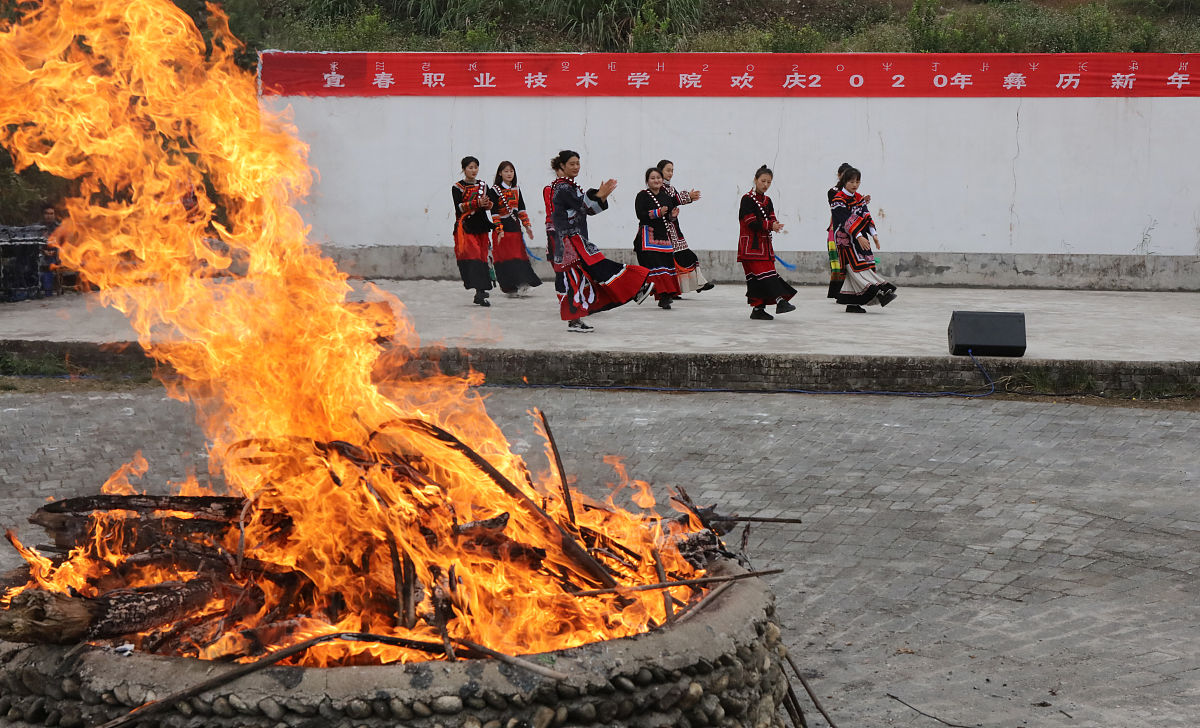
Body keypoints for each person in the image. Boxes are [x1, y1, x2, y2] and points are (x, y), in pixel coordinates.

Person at [546, 149, 652, 332]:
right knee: (592, 269)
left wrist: (601, 196)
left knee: (580, 280)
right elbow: (584, 204)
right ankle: (636, 287)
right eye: (571, 164)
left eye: (578, 163)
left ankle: (576, 321)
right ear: (562, 166)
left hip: (577, 238)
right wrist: (598, 194)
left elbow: (589, 210)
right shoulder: (562, 188)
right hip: (569, 240)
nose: (576, 167)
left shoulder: (570, 187)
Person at [830, 166, 897, 312]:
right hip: (846, 241)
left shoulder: (859, 198)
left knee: (864, 265)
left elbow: (866, 215)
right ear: (844, 181)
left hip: (860, 237)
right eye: (852, 181)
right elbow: (845, 219)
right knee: (856, 268)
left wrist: (874, 235)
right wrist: (859, 236)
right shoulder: (838, 199)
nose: (855, 185)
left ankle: (852, 303)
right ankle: (878, 290)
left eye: (858, 181)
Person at [737, 165, 797, 321]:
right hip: (750, 247)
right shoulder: (747, 199)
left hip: (764, 246)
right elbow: (750, 222)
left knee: (760, 278)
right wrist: (770, 225)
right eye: (763, 181)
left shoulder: (767, 200)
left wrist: (775, 224)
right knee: (766, 275)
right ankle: (780, 300)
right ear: (755, 180)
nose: (765, 185)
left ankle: (758, 309)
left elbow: (770, 216)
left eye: (769, 182)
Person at [656, 159, 712, 296]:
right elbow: (669, 202)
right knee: (673, 261)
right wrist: (687, 197)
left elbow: (673, 203)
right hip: (663, 231)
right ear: (660, 171)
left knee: (685, 257)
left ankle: (695, 283)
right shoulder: (659, 188)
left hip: (674, 228)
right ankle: (692, 285)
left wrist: (675, 213)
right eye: (668, 170)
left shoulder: (670, 188)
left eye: (672, 170)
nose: (671, 173)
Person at [487, 161, 541, 297]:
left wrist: (527, 226)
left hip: (515, 229)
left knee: (519, 257)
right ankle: (509, 287)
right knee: (504, 260)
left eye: (511, 171)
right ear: (500, 173)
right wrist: (499, 229)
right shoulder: (494, 191)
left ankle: (523, 284)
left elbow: (521, 209)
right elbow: (494, 213)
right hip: (502, 231)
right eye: (506, 171)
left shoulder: (516, 189)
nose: (509, 173)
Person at [634, 167, 684, 310]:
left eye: (658, 178)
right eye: (653, 178)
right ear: (647, 181)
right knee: (655, 267)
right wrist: (657, 212)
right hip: (648, 237)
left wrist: (672, 215)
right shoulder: (642, 196)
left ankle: (666, 296)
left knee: (667, 266)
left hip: (663, 237)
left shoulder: (665, 196)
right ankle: (660, 294)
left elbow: (667, 217)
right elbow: (640, 215)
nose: (656, 180)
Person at [451, 156, 494, 307]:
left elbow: (487, 206)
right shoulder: (457, 187)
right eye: (470, 167)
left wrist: (488, 205)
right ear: (464, 169)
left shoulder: (483, 185)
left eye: (476, 167)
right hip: (466, 227)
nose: (473, 170)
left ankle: (480, 292)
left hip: (481, 225)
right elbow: (459, 207)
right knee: (473, 257)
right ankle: (480, 289)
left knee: (482, 257)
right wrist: (476, 203)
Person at [826, 162, 852, 300]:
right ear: (839, 175)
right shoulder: (833, 192)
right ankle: (838, 293)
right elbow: (840, 209)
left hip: (850, 230)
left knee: (850, 262)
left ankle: (849, 292)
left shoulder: (852, 193)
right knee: (837, 262)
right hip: (836, 229)